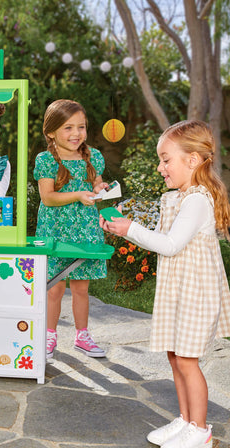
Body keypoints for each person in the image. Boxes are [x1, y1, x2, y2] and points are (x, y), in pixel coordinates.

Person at [100, 120, 230, 448]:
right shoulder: (177, 198)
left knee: (187, 360)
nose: (160, 167)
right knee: (175, 356)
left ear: (192, 159)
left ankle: (200, 430)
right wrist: (123, 229)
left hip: (195, 295)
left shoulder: (198, 201)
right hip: (179, 291)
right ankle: (186, 420)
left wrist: (131, 228)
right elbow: (162, 239)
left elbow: (171, 244)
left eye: (165, 159)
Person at [34, 99, 109, 359]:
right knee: (54, 286)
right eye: (68, 128)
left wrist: (101, 189)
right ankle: (48, 336)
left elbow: (96, 184)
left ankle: (82, 336)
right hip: (55, 230)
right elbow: (48, 198)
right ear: (51, 132)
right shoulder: (45, 160)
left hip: (85, 230)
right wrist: (78, 194)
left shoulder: (93, 156)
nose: (76, 134)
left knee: (81, 286)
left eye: (81, 127)